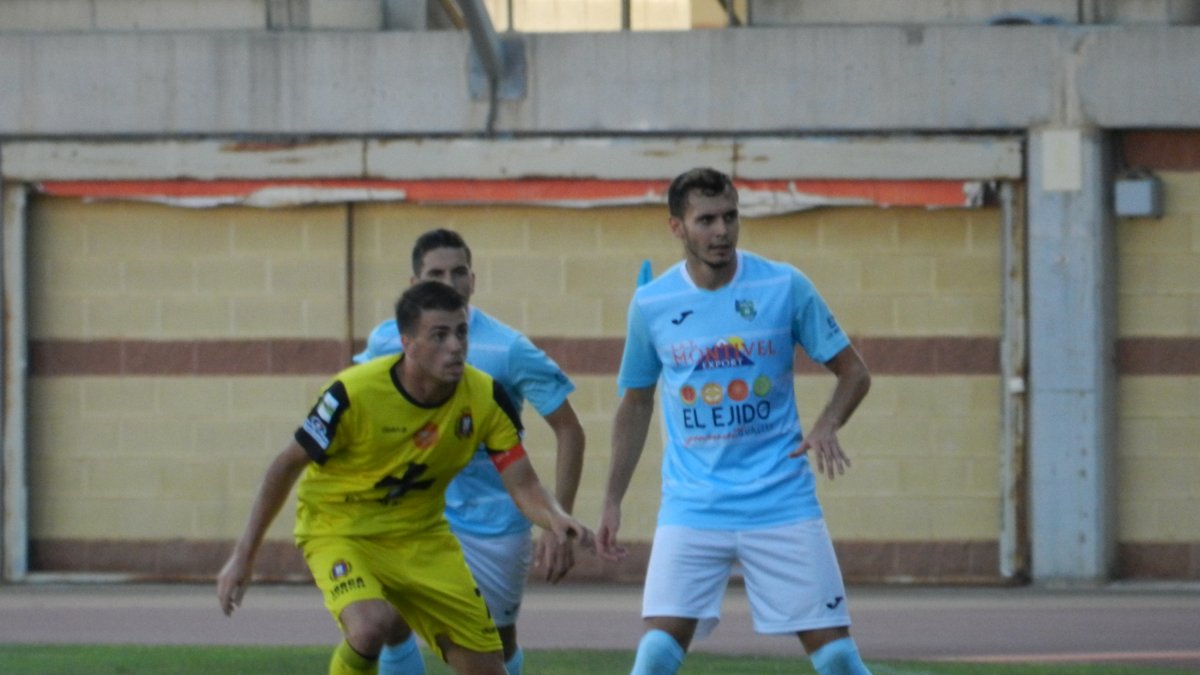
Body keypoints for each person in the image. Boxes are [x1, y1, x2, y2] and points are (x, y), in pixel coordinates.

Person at [216, 280, 592, 675]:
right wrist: (244, 557)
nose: (456, 346)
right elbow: (285, 465)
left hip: (421, 537)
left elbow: (524, 484)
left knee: (487, 668)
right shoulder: (352, 394)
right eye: (440, 335)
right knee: (369, 628)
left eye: (461, 332)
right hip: (340, 529)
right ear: (407, 343)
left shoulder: (485, 397)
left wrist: (555, 517)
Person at [596, 167, 873, 675]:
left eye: (730, 217)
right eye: (706, 220)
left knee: (837, 658)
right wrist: (612, 498)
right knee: (654, 656)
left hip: (781, 501)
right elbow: (635, 404)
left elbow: (854, 373)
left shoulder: (783, 285)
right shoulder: (652, 303)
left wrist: (827, 424)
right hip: (693, 506)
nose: (721, 231)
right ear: (676, 227)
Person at [357, 228, 586, 675]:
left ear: (473, 280)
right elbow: (359, 412)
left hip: (492, 521)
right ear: (414, 283)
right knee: (389, 618)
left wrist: (557, 519)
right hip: (415, 513)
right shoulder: (388, 341)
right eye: (436, 274)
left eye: (459, 272)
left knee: (493, 644)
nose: (449, 282)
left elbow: (570, 430)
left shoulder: (507, 349)